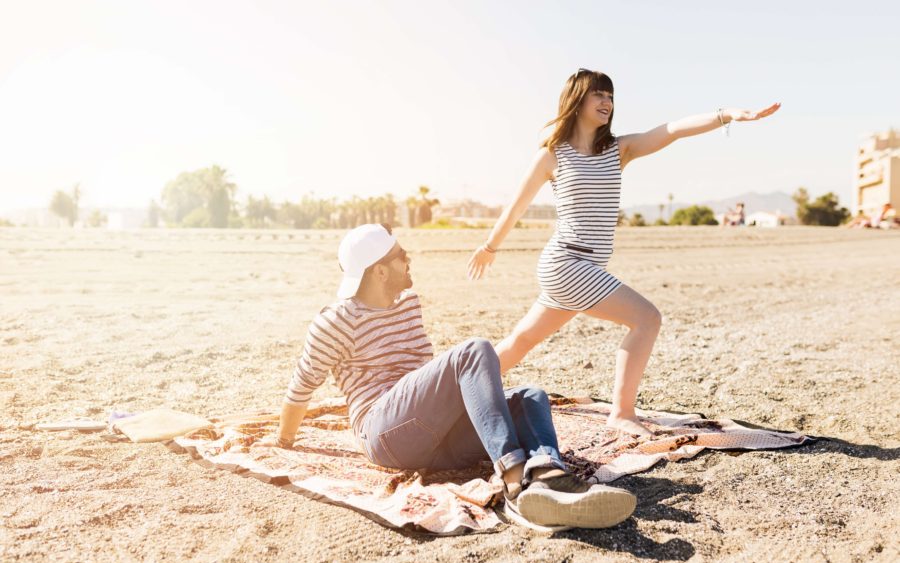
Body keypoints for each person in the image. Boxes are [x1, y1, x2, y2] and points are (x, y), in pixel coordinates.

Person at [467, 68, 780, 437]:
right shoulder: (551, 156)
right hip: (566, 262)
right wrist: (489, 247)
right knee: (647, 319)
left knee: (523, 340)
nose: (606, 102)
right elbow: (515, 208)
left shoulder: (619, 149)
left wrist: (726, 114)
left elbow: (673, 130)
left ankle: (458, 391)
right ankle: (622, 412)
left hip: (582, 266)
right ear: (576, 99)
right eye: (598, 95)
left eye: (610, 97)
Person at [275, 223, 637, 529]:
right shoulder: (336, 321)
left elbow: (429, 385)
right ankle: (513, 480)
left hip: (436, 439)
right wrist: (284, 441)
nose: (408, 259)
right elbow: (301, 387)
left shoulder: (409, 304)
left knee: (529, 396)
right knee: (475, 349)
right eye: (401, 255)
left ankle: (546, 477)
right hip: (384, 433)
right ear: (379, 271)